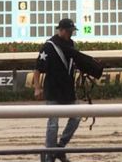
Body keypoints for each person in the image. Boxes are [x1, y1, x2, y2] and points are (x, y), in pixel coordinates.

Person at [33, 18, 87, 162]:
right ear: (61, 30)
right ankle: (50, 155)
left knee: (76, 117)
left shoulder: (72, 45)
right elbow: (38, 70)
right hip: (53, 91)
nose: (71, 34)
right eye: (69, 31)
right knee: (53, 124)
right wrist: (37, 88)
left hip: (68, 91)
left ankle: (60, 147)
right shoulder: (49, 46)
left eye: (72, 32)